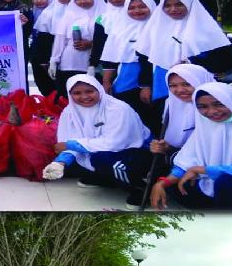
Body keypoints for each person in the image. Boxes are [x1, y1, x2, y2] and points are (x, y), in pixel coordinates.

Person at [150, 82, 232, 211]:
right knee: (177, 183)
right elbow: (188, 161)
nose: (212, 112)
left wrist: (202, 170)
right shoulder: (206, 127)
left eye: (219, 104)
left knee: (228, 182)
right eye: (203, 106)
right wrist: (162, 183)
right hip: (216, 186)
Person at [43, 74, 152, 208]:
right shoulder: (70, 111)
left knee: (100, 158)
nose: (84, 97)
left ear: (99, 89)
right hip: (102, 149)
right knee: (80, 160)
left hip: (135, 151)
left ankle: (141, 188)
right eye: (77, 93)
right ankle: (109, 179)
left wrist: (71, 145)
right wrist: (60, 162)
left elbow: (114, 143)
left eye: (89, 91)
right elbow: (67, 141)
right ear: (70, 94)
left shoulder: (118, 108)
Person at [135, 0, 232, 133]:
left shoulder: (206, 28)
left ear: (189, 4)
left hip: (199, 91)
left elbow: (226, 61)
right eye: (167, 5)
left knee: (200, 127)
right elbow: (145, 59)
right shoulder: (155, 28)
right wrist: (145, 85)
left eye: (179, 4)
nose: (173, 9)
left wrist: (191, 65)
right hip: (162, 87)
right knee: (164, 124)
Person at [99, 0, 157, 131]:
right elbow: (110, 58)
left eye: (142, 6)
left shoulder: (158, 28)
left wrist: (146, 85)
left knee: (150, 116)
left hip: (152, 78)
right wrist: (106, 82)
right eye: (132, 8)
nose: (137, 10)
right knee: (127, 115)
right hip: (125, 78)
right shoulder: (120, 29)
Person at [149, 64, 215, 174]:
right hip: (176, 161)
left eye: (187, 84)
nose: (180, 90)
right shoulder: (168, 104)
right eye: (173, 85)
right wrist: (161, 146)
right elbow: (162, 138)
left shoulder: (219, 108)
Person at [49, 0, 106, 99]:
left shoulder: (104, 14)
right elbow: (60, 39)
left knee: (93, 96)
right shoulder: (69, 15)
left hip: (92, 64)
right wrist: (54, 60)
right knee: (68, 96)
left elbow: (110, 40)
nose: (82, 1)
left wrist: (91, 43)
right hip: (69, 63)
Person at [89, 0, 136, 78]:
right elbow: (98, 43)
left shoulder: (139, 15)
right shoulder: (102, 19)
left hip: (135, 63)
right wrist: (92, 65)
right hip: (109, 65)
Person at [0, 0, 34, 82]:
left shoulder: (24, 9)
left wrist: (25, 24)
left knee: (18, 78)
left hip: (18, 50)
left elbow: (29, 32)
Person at [29, 0, 55, 96]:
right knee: (41, 84)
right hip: (36, 55)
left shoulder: (57, 13)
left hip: (51, 56)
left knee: (53, 85)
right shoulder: (32, 14)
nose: (38, 1)